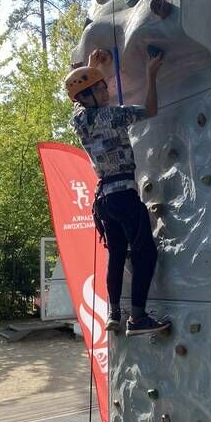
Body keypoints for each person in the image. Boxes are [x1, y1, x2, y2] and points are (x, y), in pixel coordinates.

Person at [65, 48, 170, 336]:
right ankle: (137, 318)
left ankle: (113, 313)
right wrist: (150, 73)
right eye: (100, 87)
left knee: (116, 255)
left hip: (104, 200)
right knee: (145, 253)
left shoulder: (79, 122)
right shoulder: (112, 115)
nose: (106, 90)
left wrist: (90, 67)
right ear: (87, 95)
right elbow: (150, 110)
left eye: (104, 85)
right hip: (123, 194)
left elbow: (78, 100)